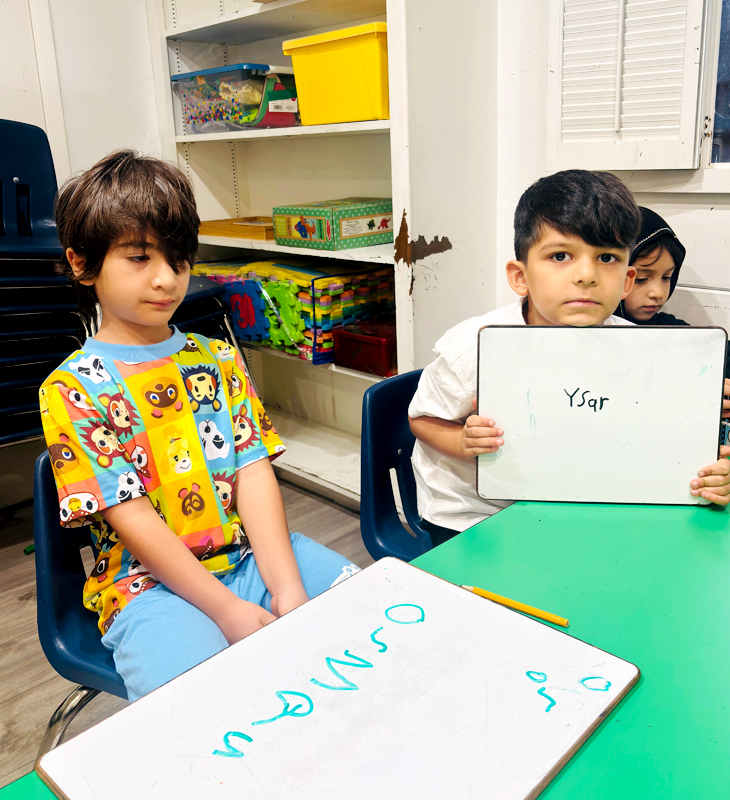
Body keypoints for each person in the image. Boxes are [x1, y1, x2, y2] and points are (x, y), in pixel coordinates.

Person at [39, 151, 359, 702]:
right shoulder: (71, 389)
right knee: (210, 704)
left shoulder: (218, 358)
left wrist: (287, 588)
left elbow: (253, 472)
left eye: (179, 258)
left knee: (366, 615)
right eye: (139, 258)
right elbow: (130, 516)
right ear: (82, 263)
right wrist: (227, 609)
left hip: (248, 557)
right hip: (147, 589)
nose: (166, 278)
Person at [408, 171, 730, 546]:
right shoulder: (471, 347)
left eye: (606, 257)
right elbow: (422, 420)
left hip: (582, 503)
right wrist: (463, 441)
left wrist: (709, 466)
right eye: (560, 256)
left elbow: (649, 433)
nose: (587, 275)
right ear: (520, 276)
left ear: (626, 281)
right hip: (477, 517)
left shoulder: (642, 349)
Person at [616, 207, 730, 437]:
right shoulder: (591, 334)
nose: (658, 293)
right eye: (641, 279)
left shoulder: (677, 333)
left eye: (667, 277)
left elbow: (719, 357)